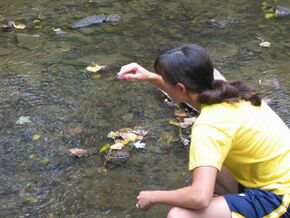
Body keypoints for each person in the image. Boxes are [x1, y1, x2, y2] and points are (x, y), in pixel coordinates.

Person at [117, 44, 290, 218]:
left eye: (165, 80)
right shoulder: (234, 93)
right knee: (209, 166)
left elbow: (199, 198)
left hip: (282, 198)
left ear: (181, 88)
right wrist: (150, 77)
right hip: (276, 177)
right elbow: (186, 93)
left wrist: (153, 197)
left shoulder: (207, 127)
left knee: (180, 215)